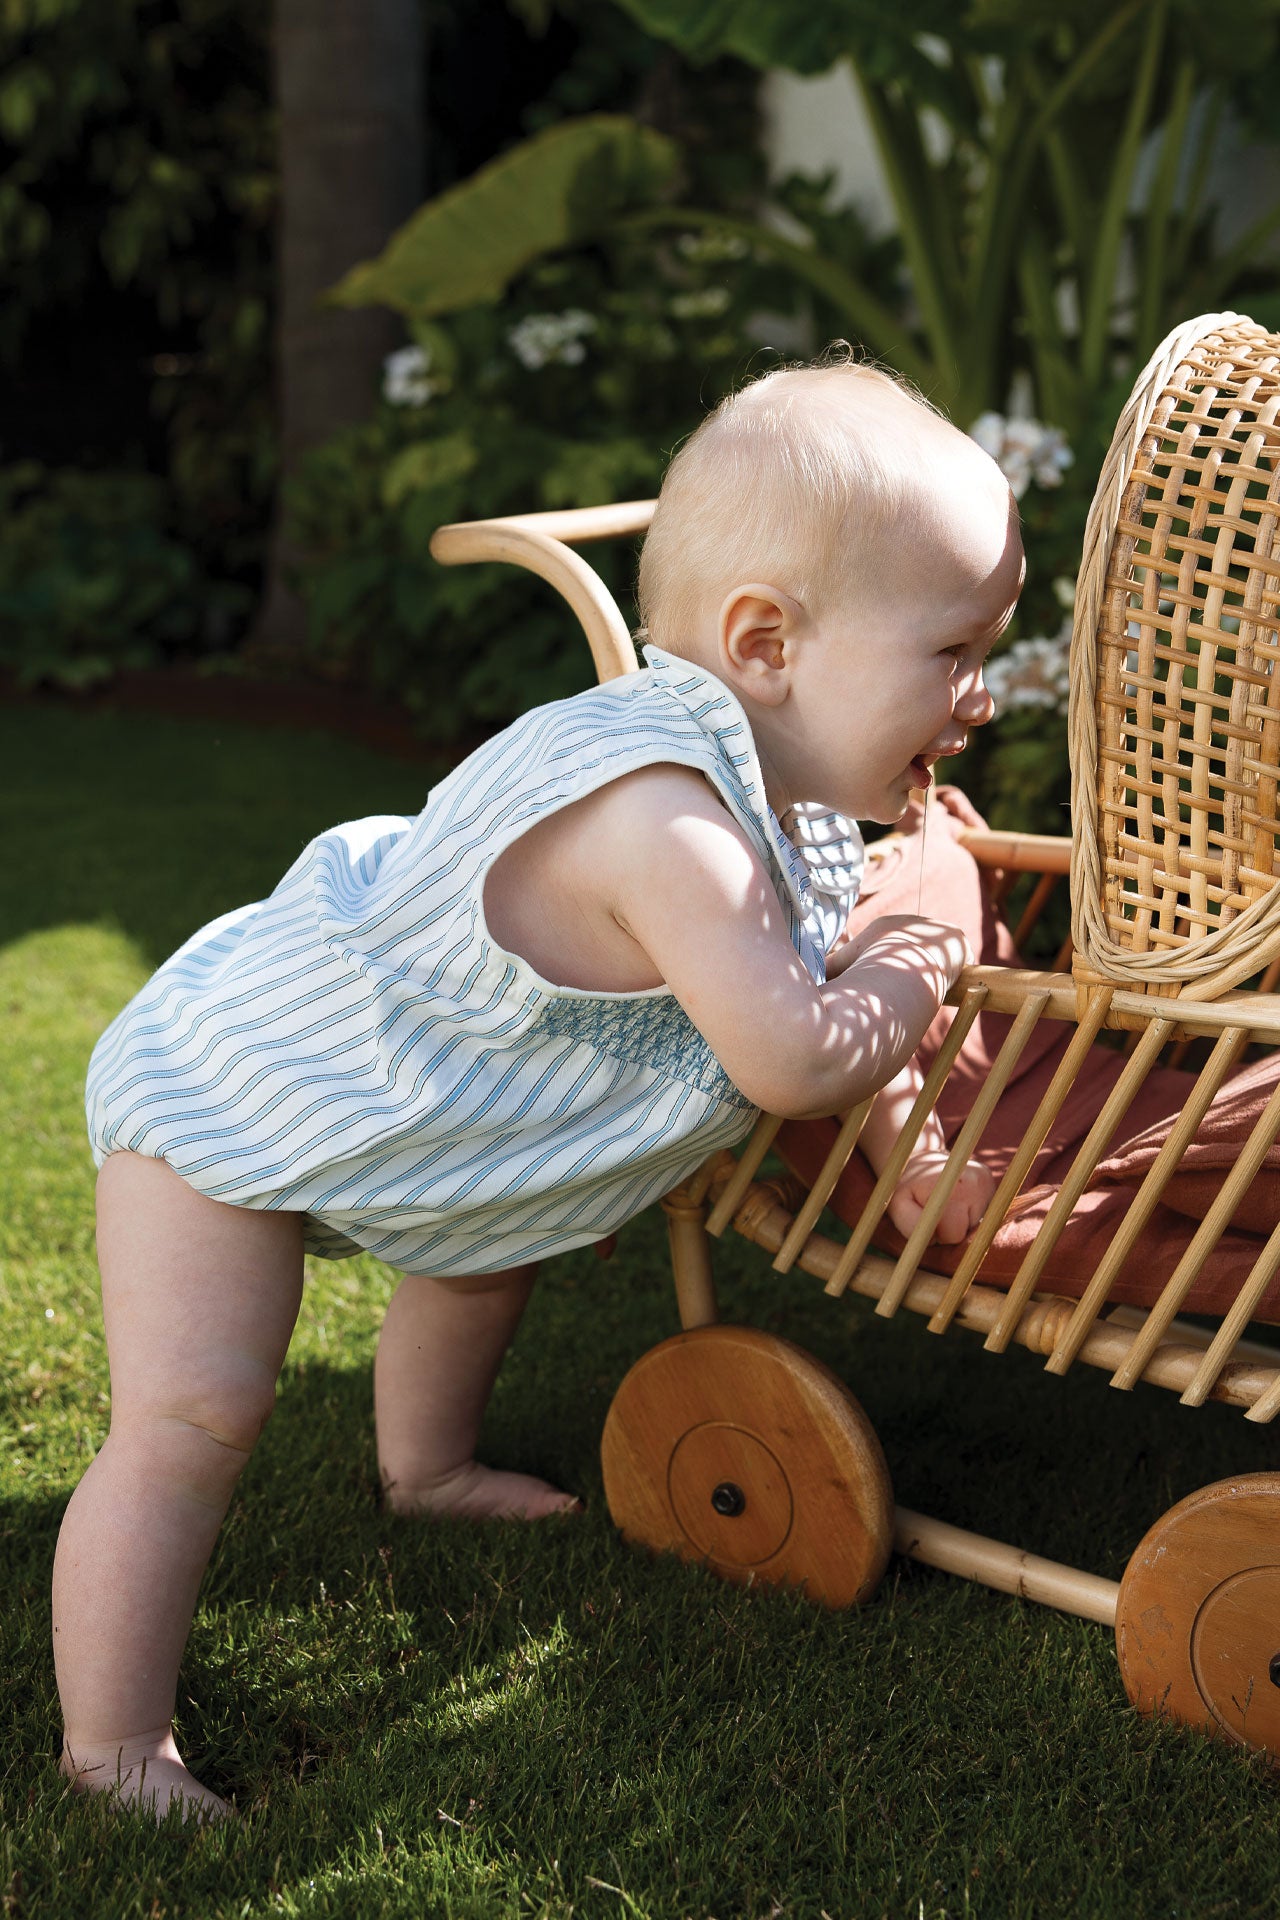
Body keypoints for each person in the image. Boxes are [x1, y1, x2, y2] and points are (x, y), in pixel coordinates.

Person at [54, 357, 1024, 1820]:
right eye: (954, 651)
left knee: (490, 1257)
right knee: (195, 1413)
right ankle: (113, 1747)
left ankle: (424, 1469)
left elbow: (814, 963)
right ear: (768, 642)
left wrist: (926, 1149)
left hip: (452, 1120)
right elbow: (803, 1051)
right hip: (250, 1085)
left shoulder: (791, 801)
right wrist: (926, 944)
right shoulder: (667, 827)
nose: (982, 695)